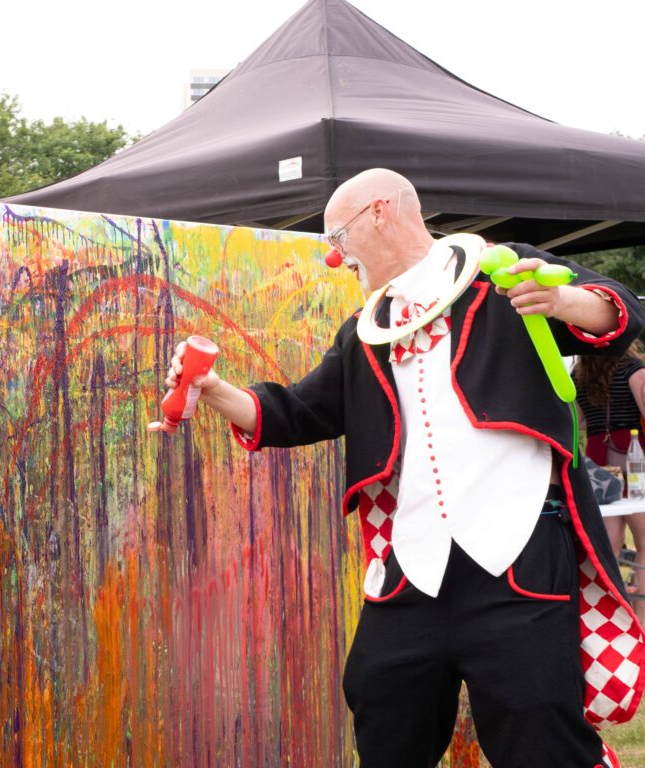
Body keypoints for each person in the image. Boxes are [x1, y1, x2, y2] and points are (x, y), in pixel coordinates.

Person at [160, 168, 645, 768]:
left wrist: (562, 300)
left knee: (539, 731)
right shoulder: (366, 331)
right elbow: (298, 412)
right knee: (383, 709)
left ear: (379, 212)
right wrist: (214, 389)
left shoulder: (499, 271)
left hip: (519, 550)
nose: (336, 257)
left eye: (338, 237)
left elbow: (618, 314)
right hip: (414, 562)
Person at [574, 341, 645, 614]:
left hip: (598, 460)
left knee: (609, 548)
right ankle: (641, 618)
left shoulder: (579, 374)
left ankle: (609, 616)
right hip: (633, 456)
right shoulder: (633, 369)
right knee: (643, 543)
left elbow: (578, 421)